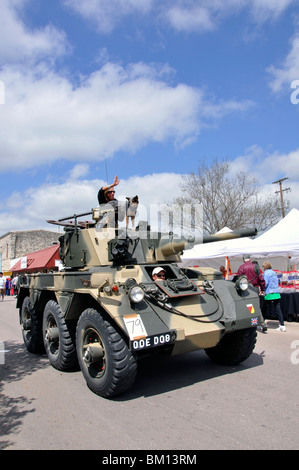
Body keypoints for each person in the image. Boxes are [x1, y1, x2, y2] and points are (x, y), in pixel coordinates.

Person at [237, 254, 267, 332]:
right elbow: (261, 279)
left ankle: (248, 323)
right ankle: (262, 323)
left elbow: (238, 279)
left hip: (245, 289)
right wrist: (262, 288)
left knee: (247, 306)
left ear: (243, 260)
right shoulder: (256, 267)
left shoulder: (241, 267)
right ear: (250, 259)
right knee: (256, 306)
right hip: (255, 288)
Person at [262, 261, 286, 332]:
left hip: (269, 293)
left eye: (263, 266)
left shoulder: (266, 273)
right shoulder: (274, 272)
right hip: (276, 292)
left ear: (265, 267)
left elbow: (265, 283)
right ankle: (282, 325)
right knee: (278, 309)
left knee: (264, 309)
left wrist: (262, 289)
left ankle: (261, 323)